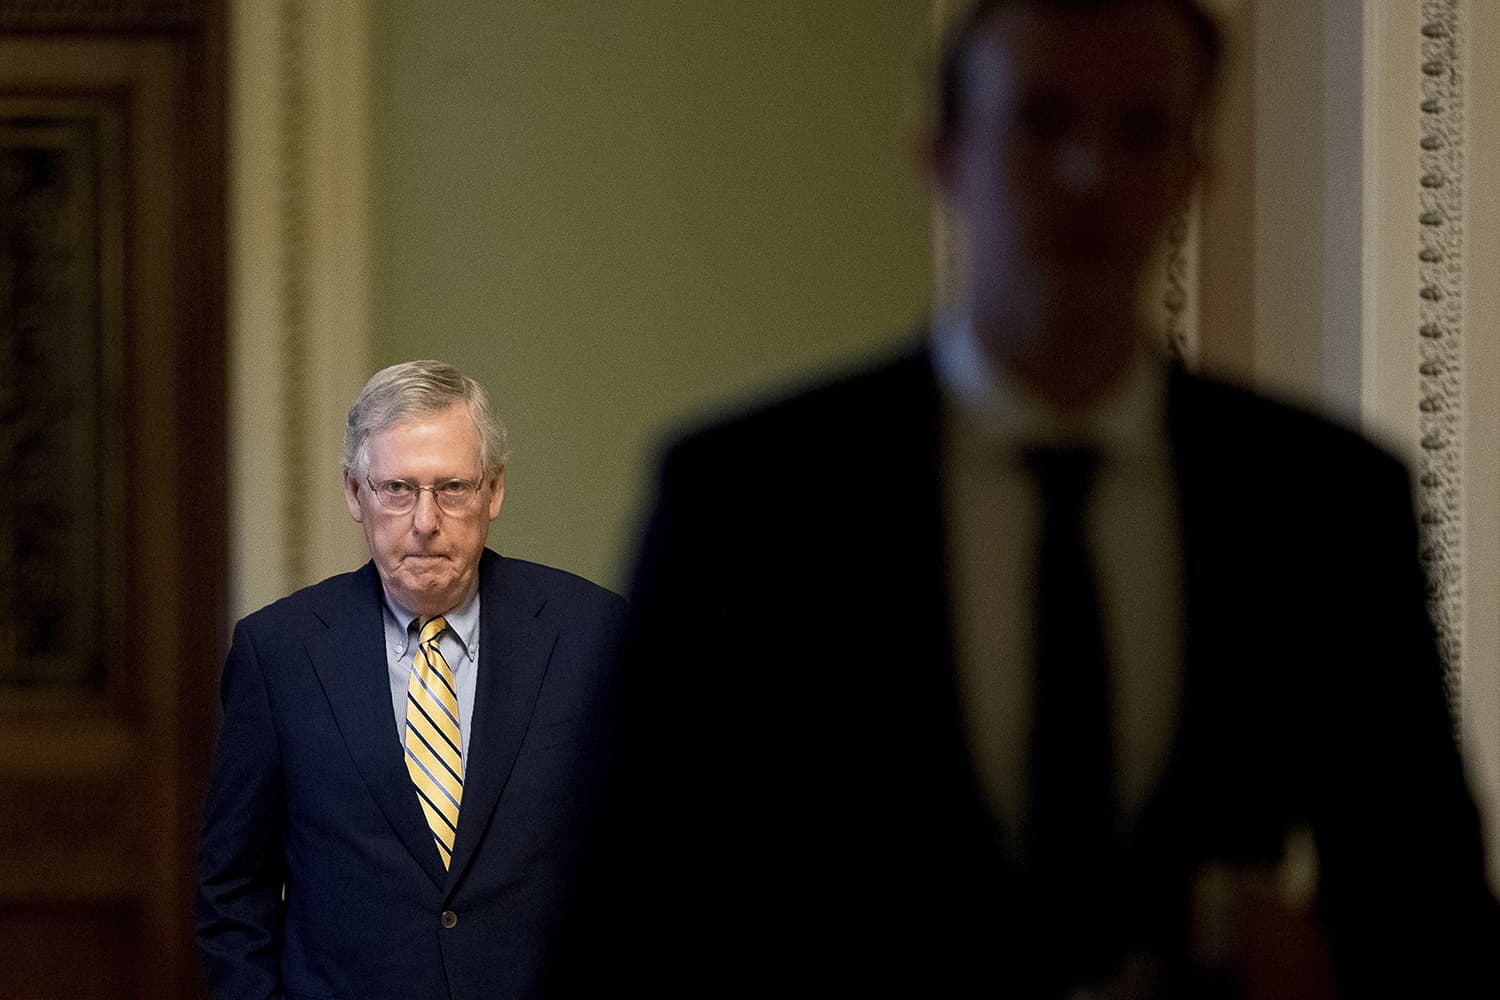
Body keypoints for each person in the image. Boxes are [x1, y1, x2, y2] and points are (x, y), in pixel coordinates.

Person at [558, 1, 1499, 996]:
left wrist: (1315, 957)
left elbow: (1433, 914)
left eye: (1140, 130)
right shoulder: (752, 499)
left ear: (1196, 168)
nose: (1090, 174)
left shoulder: (1319, 502)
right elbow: (620, 923)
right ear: (941, 155)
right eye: (1043, 123)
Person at [197, 360, 625, 1000]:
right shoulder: (280, 652)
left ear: (494, 492)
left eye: (452, 488)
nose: (425, 521)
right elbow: (234, 889)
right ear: (354, 493)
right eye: (397, 488)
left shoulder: (592, 634)